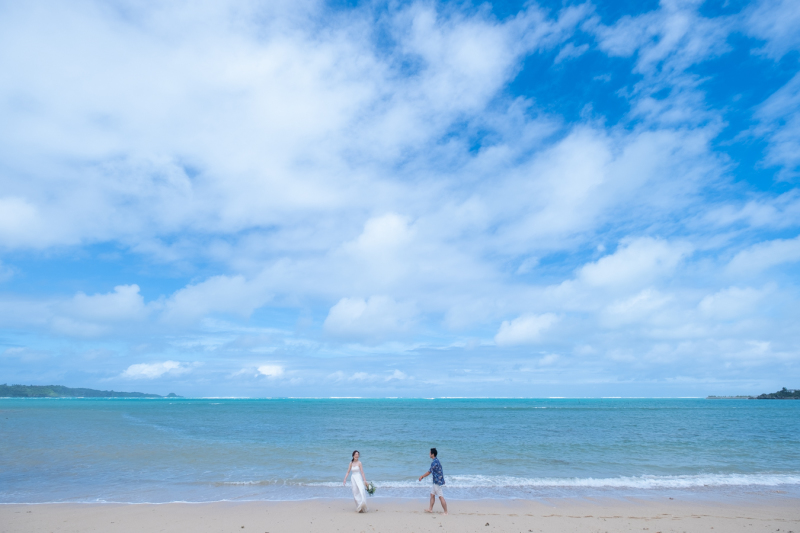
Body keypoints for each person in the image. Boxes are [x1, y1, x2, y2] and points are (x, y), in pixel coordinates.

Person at [418, 447, 447, 514]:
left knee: (440, 496)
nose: (429, 454)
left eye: (430, 453)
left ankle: (446, 512)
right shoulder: (436, 460)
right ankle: (430, 509)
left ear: (432, 454)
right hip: (436, 481)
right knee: (432, 495)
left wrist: (422, 476)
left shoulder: (434, 462)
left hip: (437, 482)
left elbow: (429, 472)